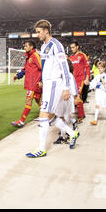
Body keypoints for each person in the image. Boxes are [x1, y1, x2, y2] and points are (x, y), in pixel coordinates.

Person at [26, 20, 79, 158]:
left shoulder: (56, 45)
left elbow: (64, 67)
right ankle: (73, 133)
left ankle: (41, 148)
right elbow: (45, 66)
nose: (37, 35)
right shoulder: (43, 47)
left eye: (38, 32)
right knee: (50, 117)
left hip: (56, 83)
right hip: (48, 84)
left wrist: (67, 87)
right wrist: (43, 80)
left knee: (43, 115)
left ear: (46, 31)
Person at [11, 40, 42, 128]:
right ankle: (45, 117)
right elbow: (25, 70)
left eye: (26, 46)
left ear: (31, 47)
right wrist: (18, 76)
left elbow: (43, 68)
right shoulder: (29, 57)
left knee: (28, 100)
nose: (24, 48)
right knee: (38, 100)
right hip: (31, 83)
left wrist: (42, 81)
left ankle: (21, 121)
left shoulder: (35, 56)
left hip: (34, 84)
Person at [53, 59, 79, 144]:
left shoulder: (64, 75)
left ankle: (68, 135)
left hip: (64, 98)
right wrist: (75, 97)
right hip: (68, 98)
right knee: (66, 118)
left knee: (61, 118)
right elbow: (74, 88)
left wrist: (75, 97)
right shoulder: (70, 75)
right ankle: (65, 136)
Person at [69, 41, 90, 123]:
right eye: (71, 47)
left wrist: (87, 78)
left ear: (77, 47)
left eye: (73, 47)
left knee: (78, 96)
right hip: (73, 80)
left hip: (80, 79)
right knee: (75, 97)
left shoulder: (82, 56)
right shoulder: (70, 58)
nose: (72, 49)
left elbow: (87, 67)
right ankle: (82, 114)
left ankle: (80, 116)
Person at [89, 60, 106, 125]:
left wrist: (101, 84)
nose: (100, 69)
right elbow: (93, 83)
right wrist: (89, 84)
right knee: (97, 105)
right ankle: (95, 120)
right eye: (99, 68)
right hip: (98, 93)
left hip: (104, 93)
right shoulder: (97, 76)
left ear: (104, 68)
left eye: (101, 68)